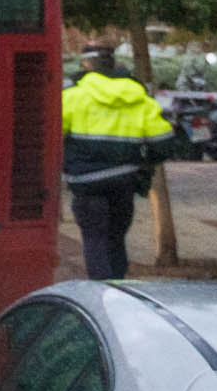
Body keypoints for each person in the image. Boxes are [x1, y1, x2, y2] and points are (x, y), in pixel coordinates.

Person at [61, 43, 177, 282]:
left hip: (86, 183)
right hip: (124, 182)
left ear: (86, 66)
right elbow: (164, 144)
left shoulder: (72, 97)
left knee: (94, 240)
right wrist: (144, 163)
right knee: (116, 240)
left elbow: (49, 138)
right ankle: (118, 290)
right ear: (113, 65)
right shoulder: (139, 98)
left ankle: (101, 293)